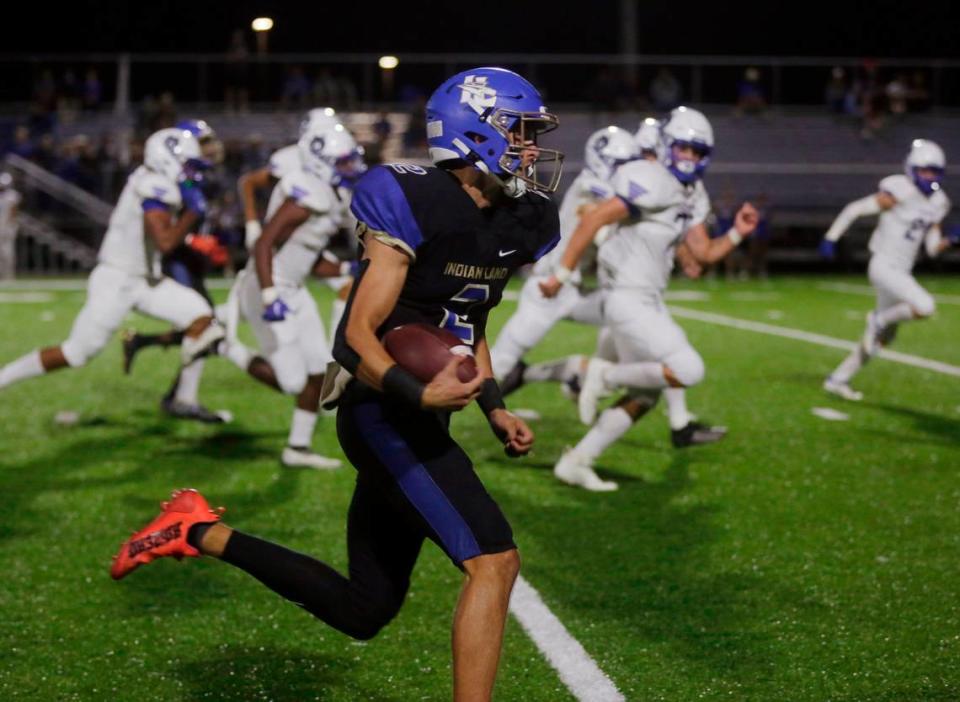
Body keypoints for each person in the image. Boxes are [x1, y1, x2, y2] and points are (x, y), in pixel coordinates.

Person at [111, 67, 563, 702]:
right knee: (494, 560)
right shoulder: (413, 197)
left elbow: (467, 321)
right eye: (518, 132)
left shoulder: (520, 218)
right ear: (475, 130)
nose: (530, 148)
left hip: (420, 414)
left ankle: (193, 530)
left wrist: (494, 407)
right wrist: (418, 393)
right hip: (379, 411)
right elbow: (354, 337)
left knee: (364, 609)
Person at [539, 107, 758, 491]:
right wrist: (561, 273)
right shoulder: (652, 177)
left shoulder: (692, 192)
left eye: (697, 151)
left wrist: (737, 234)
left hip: (648, 299)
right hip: (625, 297)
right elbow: (593, 220)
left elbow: (701, 255)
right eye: (684, 148)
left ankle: (577, 461)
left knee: (646, 393)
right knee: (689, 369)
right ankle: (601, 374)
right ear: (668, 146)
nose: (689, 157)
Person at [0, 129, 224, 413]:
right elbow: (165, 242)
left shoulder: (150, 177)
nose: (193, 174)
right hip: (117, 279)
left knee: (201, 316)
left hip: (144, 280)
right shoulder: (155, 184)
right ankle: (2, 378)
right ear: (168, 159)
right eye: (189, 166)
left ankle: (184, 399)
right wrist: (192, 214)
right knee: (77, 353)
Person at [216, 119, 366, 470]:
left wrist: (346, 270)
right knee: (293, 381)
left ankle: (297, 448)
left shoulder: (330, 193)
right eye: (342, 161)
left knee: (319, 370)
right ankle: (224, 345)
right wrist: (269, 295)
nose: (351, 168)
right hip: (267, 287)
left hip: (292, 288)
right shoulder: (307, 193)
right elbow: (265, 244)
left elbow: (306, 256)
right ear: (320, 162)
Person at [490, 125, 638, 392]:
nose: (627, 172)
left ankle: (589, 378)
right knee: (494, 368)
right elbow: (600, 232)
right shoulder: (591, 187)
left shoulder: (602, 187)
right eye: (622, 164)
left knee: (629, 315)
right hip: (549, 288)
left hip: (575, 290)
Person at [820, 139, 956, 401]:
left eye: (933, 172)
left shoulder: (940, 202)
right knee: (925, 306)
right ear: (912, 168)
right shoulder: (898, 190)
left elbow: (931, 249)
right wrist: (831, 237)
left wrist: (949, 241)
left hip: (902, 272)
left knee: (883, 339)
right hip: (883, 264)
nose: (928, 176)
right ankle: (878, 319)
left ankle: (838, 379)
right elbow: (855, 209)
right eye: (924, 170)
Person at [121, 119, 231, 422]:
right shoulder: (178, 175)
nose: (212, 146)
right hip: (178, 257)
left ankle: (147, 351)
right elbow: (166, 227)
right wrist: (196, 240)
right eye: (205, 141)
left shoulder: (199, 174)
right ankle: (182, 398)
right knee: (207, 327)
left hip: (190, 257)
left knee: (202, 327)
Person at [237, 107, 355, 341]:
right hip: (282, 242)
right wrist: (252, 225)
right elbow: (249, 182)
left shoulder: (339, 161)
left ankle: (334, 357)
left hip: (310, 239)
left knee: (351, 284)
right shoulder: (289, 159)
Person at [0, 172, 21, 280]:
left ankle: (9, 276)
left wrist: (11, 227)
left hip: (7, 227)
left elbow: (13, 213)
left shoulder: (12, 195)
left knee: (7, 252)